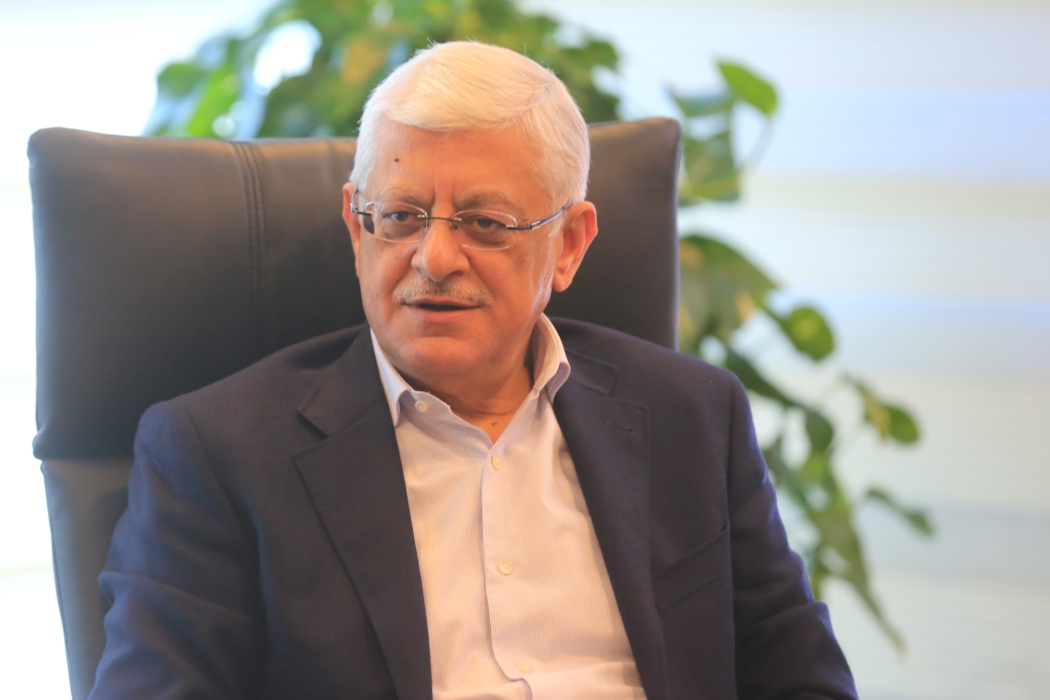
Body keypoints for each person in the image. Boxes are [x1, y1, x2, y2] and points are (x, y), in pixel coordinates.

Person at [90, 41, 857, 700]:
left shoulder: (692, 414)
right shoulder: (219, 452)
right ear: (357, 228)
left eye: (486, 224)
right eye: (401, 217)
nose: (433, 258)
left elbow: (799, 675)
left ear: (569, 245)